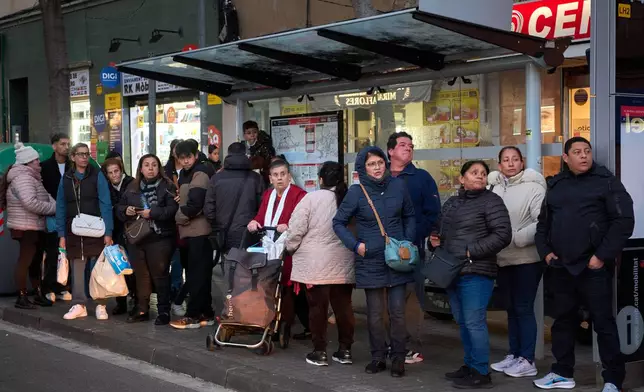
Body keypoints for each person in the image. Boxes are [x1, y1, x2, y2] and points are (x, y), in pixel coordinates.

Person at [534, 137, 634, 392]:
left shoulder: (607, 182)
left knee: (603, 323)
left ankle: (613, 380)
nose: (583, 156)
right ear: (566, 158)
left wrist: (600, 256)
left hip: (594, 266)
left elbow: (623, 222)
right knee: (562, 322)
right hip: (562, 266)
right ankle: (562, 372)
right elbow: (543, 224)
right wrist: (546, 253)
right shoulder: (556, 185)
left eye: (587, 151)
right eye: (577, 152)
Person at [333, 146, 416, 378]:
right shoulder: (356, 192)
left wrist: (407, 241)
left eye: (380, 162)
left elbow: (410, 215)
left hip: (398, 258)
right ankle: (378, 357)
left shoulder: (398, 185)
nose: (377, 167)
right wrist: (356, 245)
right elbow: (338, 222)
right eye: (371, 164)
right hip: (370, 259)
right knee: (376, 313)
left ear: (386, 163)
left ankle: (398, 357)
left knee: (398, 312)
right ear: (362, 168)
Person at [430, 160, 511, 389]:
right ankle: (470, 365)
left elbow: (503, 234)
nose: (480, 176)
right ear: (462, 179)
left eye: (483, 173)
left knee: (474, 322)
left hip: (477, 271)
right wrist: (433, 240)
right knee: (463, 322)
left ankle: (481, 371)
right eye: (474, 173)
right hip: (452, 271)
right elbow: (439, 229)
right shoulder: (453, 202)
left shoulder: (491, 201)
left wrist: (471, 250)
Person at [287, 161, 356, 367]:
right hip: (343, 262)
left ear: (320, 180)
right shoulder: (348, 199)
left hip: (316, 264)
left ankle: (320, 351)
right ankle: (345, 351)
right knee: (344, 308)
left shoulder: (311, 198)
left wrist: (290, 247)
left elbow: (296, 229)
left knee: (317, 308)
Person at [487, 147, 546, 378]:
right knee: (511, 308)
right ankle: (514, 354)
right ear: (499, 164)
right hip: (502, 258)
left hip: (526, 258)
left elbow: (540, 221)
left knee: (523, 308)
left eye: (515, 159)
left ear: (522, 162)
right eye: (506, 160)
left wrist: (517, 237)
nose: (511, 164)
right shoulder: (494, 187)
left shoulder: (534, 187)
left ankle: (527, 358)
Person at [386, 131, 441, 364]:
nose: (407, 148)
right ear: (390, 151)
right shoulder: (379, 175)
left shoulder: (421, 177)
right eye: (402, 145)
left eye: (410, 145)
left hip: (410, 250)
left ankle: (408, 347)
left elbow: (433, 213)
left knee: (409, 300)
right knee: (384, 300)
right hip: (382, 249)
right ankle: (387, 344)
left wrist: (414, 236)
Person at [247, 159, 307, 342]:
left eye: (283, 174)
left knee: (288, 288)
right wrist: (254, 222)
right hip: (270, 245)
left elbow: (304, 221)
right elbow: (261, 215)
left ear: (289, 176)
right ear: (270, 178)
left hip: (291, 247)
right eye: (276, 175)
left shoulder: (299, 194)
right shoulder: (268, 195)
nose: (280, 178)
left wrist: (289, 226)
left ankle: (284, 324)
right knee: (270, 285)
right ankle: (269, 320)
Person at [117, 154, 179, 325]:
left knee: (160, 275)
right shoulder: (132, 187)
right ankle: (142, 309)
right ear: (141, 169)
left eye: (154, 165)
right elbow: (119, 208)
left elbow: (172, 210)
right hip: (137, 238)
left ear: (159, 168)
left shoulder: (168, 186)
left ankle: (163, 311)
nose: (150, 168)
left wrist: (153, 213)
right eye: (146, 165)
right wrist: (126, 210)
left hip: (160, 237)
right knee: (141, 275)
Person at [56, 143, 114, 321]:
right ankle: (79, 304)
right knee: (77, 266)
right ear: (73, 157)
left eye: (86, 154)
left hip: (96, 227)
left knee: (99, 267)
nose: (84, 157)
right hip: (73, 228)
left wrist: (108, 231)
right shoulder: (66, 178)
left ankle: (100, 304)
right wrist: (61, 235)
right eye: (80, 154)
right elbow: (61, 206)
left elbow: (106, 203)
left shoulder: (98, 176)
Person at [169, 140, 215, 329]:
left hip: (199, 231)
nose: (186, 161)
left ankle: (194, 315)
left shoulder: (200, 172)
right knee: (199, 274)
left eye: (188, 156)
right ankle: (206, 313)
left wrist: (179, 216)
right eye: (182, 158)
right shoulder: (186, 174)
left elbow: (196, 204)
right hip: (190, 232)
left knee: (197, 275)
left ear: (195, 155)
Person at [4, 143, 57, 309]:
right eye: (35, 161)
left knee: (34, 260)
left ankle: (37, 293)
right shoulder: (23, 178)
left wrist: (54, 205)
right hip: (26, 226)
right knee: (26, 260)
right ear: (27, 163)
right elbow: (30, 203)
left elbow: (45, 196)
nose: (38, 163)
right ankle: (22, 296)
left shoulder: (31, 177)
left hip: (33, 225)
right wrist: (53, 209)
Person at [204, 142, 264, 253]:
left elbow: (209, 209)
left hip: (224, 232)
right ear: (245, 155)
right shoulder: (256, 178)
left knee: (229, 266)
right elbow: (263, 207)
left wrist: (217, 225)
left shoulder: (216, 179)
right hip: (249, 232)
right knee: (249, 266)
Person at [38, 132, 72, 303]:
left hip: (70, 215)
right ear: (54, 146)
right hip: (51, 215)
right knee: (52, 252)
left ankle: (62, 286)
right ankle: (48, 287)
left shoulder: (72, 166)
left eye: (68, 144)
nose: (66, 147)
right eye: (63, 144)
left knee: (67, 253)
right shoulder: (44, 167)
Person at [101, 158, 136, 316]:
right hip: (115, 231)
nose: (114, 175)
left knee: (133, 267)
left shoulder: (131, 183)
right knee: (117, 267)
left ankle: (135, 299)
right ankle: (120, 301)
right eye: (110, 172)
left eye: (116, 171)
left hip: (132, 231)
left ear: (121, 169)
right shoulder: (105, 187)